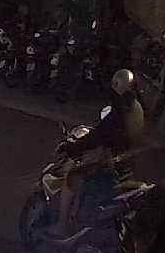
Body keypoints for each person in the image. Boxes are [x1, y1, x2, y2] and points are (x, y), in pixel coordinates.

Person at [45, 68, 145, 239]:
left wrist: (71, 148)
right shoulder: (137, 108)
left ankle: (62, 227)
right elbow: (103, 134)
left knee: (71, 177)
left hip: (111, 167)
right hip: (126, 163)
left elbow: (94, 139)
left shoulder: (117, 115)